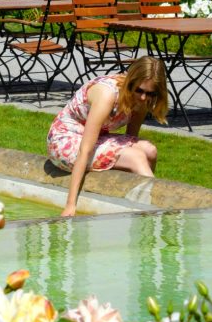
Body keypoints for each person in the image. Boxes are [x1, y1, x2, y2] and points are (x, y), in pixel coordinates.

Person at [47, 56, 168, 217]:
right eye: (139, 90)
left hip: (98, 137)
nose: (143, 97)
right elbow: (85, 150)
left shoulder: (142, 100)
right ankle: (156, 211)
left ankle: (138, 203)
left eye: (150, 93)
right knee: (136, 157)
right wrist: (70, 205)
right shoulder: (107, 94)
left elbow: (131, 138)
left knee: (149, 150)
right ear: (131, 82)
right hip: (65, 141)